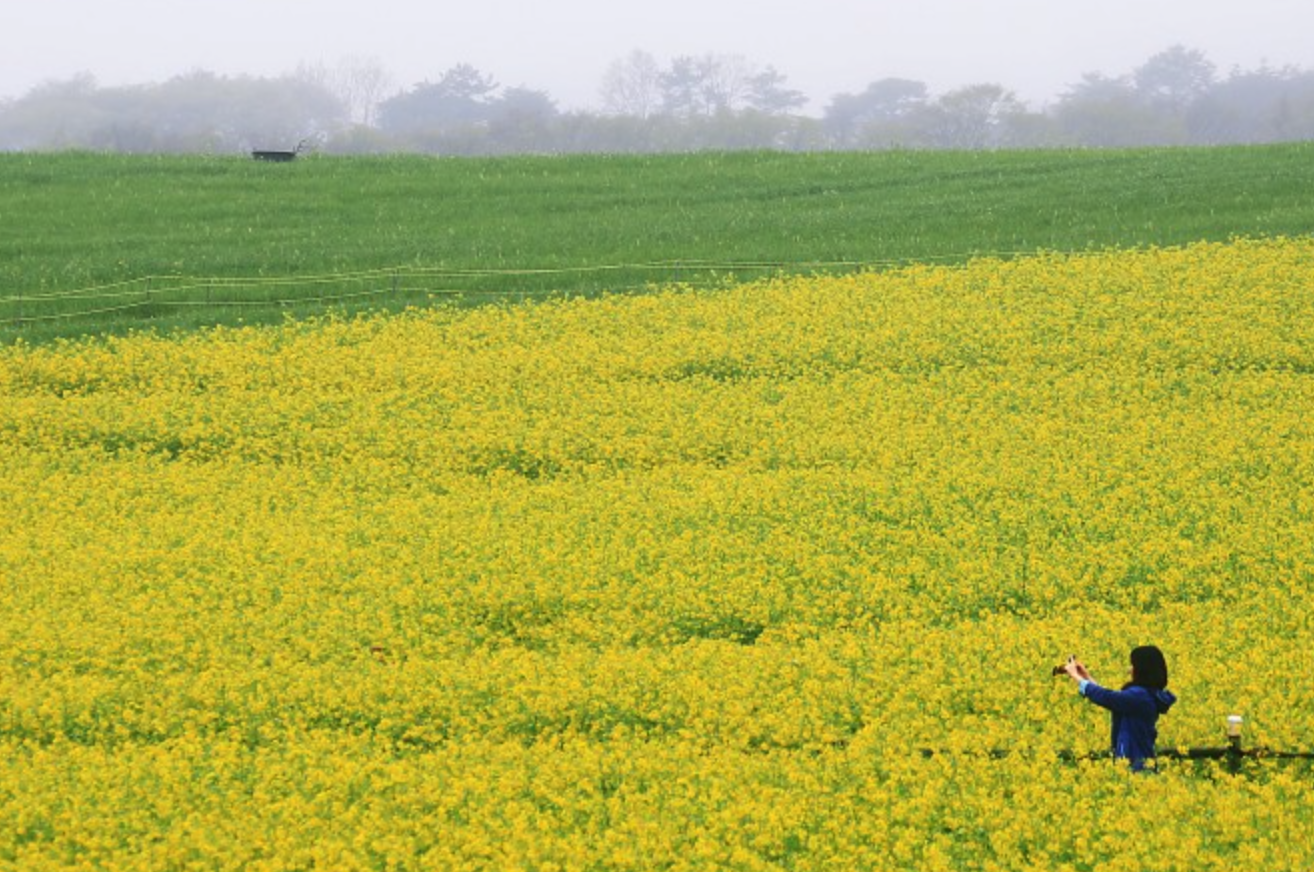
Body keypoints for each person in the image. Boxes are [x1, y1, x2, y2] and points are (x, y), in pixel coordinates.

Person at [1061, 646, 1177, 772]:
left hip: (1136, 765)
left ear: (1142, 669)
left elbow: (1108, 698)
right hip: (1138, 761)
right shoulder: (1147, 694)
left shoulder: (1140, 696)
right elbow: (1112, 699)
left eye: (1133, 665)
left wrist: (1075, 676)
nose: (1129, 670)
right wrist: (1085, 677)